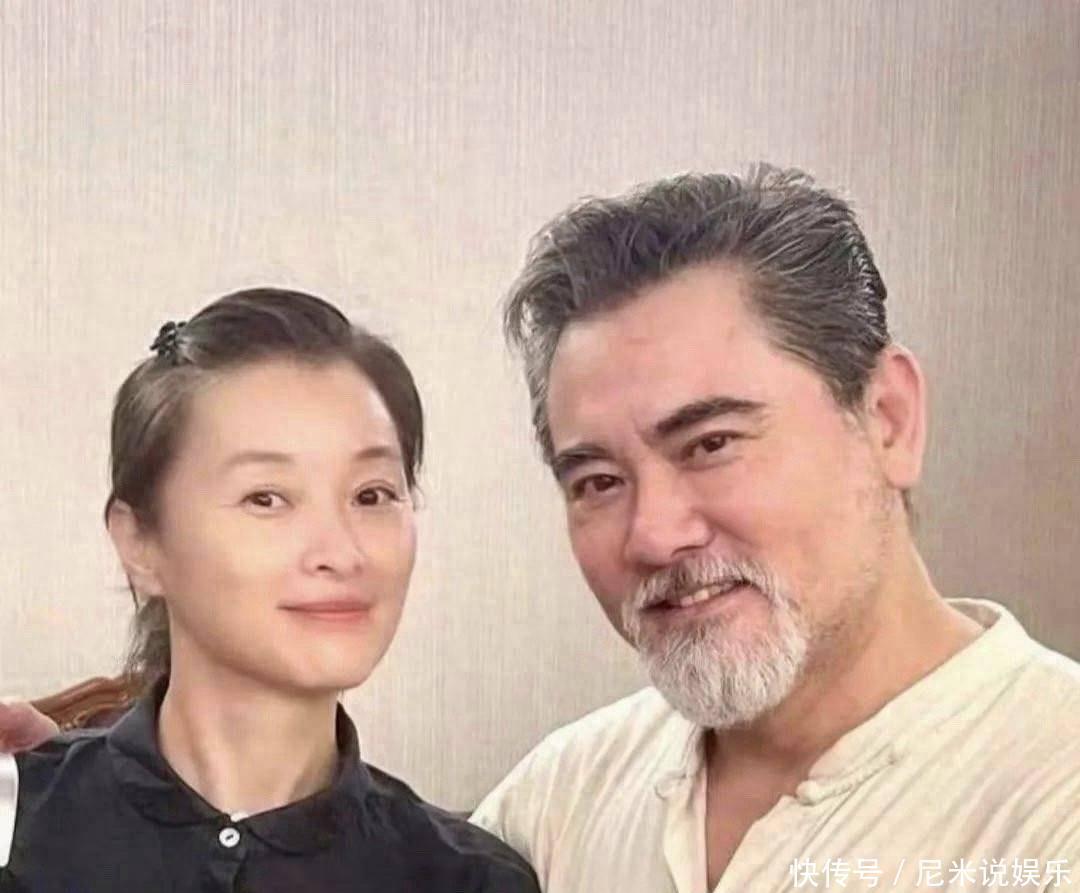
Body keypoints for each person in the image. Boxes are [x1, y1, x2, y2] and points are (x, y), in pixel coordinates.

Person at [470, 165, 1080, 891]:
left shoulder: (1054, 802)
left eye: (712, 444)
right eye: (598, 482)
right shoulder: (556, 806)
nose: (654, 535)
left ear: (888, 419)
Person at [0, 288, 538, 892]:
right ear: (140, 542)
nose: (341, 552)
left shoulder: (469, 879)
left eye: (372, 495)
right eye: (266, 498)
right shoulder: (15, 825)